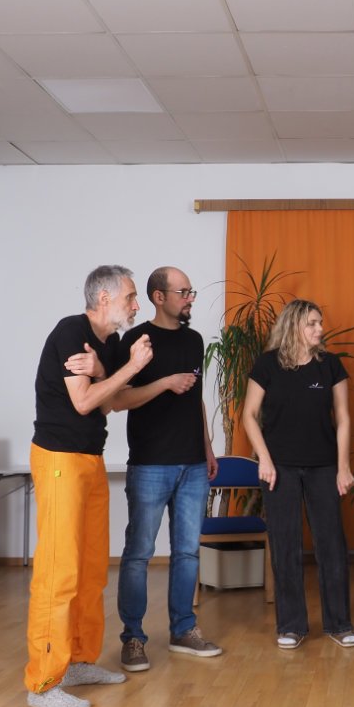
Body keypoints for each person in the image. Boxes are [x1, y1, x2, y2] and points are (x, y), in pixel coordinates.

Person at [24, 265, 152, 707]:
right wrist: (127, 368)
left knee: (92, 567)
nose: (136, 305)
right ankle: (43, 683)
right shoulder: (71, 332)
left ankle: (78, 661)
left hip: (89, 458)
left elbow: (111, 402)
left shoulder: (110, 343)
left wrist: (104, 369)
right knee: (58, 570)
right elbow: (83, 402)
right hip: (59, 459)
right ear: (104, 299)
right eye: (130, 296)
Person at [109, 267, 221, 672]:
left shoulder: (193, 340)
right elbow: (118, 400)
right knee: (139, 554)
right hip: (150, 464)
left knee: (187, 552)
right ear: (159, 297)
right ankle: (133, 638)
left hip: (193, 464)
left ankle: (183, 630)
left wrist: (207, 448)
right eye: (183, 292)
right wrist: (165, 383)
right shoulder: (136, 341)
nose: (190, 299)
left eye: (191, 292)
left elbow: (196, 399)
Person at [242, 299, 354, 650]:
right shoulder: (267, 365)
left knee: (331, 545)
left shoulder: (330, 365)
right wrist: (264, 460)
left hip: (323, 466)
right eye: (312, 323)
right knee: (285, 545)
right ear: (293, 325)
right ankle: (291, 626)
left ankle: (339, 623)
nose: (320, 329)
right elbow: (249, 415)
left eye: (320, 322)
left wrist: (343, 467)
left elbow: (343, 418)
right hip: (279, 469)